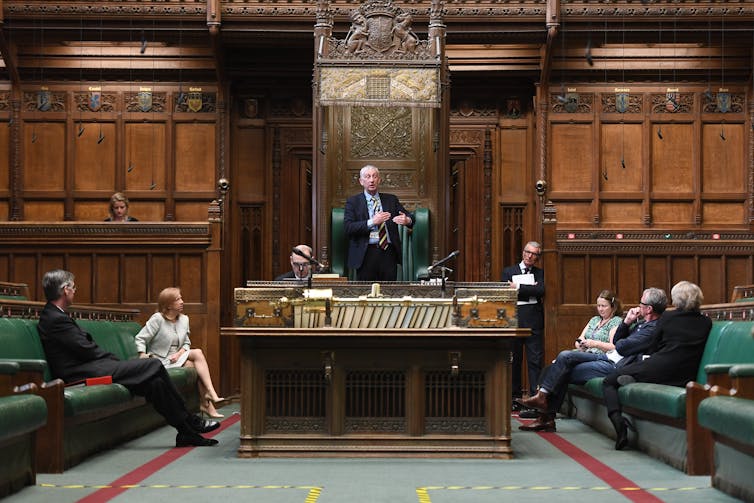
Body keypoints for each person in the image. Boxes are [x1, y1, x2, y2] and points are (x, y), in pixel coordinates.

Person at [37, 269, 219, 447]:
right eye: (74, 288)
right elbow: (85, 350)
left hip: (91, 366)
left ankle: (186, 432)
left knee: (154, 384)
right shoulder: (54, 318)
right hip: (78, 374)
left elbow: (84, 349)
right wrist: (114, 360)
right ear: (65, 290)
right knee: (153, 364)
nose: (75, 291)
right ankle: (190, 419)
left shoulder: (55, 315)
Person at [517, 288, 665, 432]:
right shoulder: (640, 323)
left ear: (649, 309)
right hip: (606, 357)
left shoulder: (652, 328)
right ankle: (544, 408)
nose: (638, 306)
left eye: (641, 303)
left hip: (615, 365)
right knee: (563, 358)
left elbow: (620, 346)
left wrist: (602, 342)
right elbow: (619, 340)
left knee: (562, 368)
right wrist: (627, 322)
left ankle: (545, 413)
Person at [602, 281, 712, 450]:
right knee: (635, 373)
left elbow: (653, 346)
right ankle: (634, 378)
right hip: (686, 374)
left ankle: (619, 424)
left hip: (660, 367)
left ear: (676, 301)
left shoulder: (668, 317)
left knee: (609, 380)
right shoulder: (706, 322)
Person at [135, 287, 225, 419]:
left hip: (176, 358)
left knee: (195, 363)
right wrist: (142, 353)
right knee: (196, 357)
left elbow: (186, 343)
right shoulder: (157, 319)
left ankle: (208, 400)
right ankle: (209, 399)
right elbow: (140, 337)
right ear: (168, 305)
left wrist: (178, 354)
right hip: (160, 360)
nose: (182, 301)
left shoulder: (184, 320)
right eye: (178, 299)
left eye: (181, 298)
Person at [344, 165, 413, 282]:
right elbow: (348, 228)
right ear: (361, 181)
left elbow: (410, 217)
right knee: (366, 295)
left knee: (389, 293)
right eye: (368, 177)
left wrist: (407, 220)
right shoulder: (353, 202)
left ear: (379, 180)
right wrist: (372, 222)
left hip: (388, 252)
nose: (371, 180)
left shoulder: (391, 200)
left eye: (374, 176)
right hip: (365, 254)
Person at [502, 241, 545, 415]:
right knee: (515, 361)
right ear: (523, 252)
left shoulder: (540, 273)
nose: (530, 256)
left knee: (535, 361)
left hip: (534, 321)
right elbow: (505, 291)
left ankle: (535, 397)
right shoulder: (508, 271)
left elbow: (540, 291)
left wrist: (518, 287)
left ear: (537, 257)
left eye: (534, 254)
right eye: (528, 252)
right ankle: (515, 398)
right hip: (514, 319)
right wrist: (529, 289)